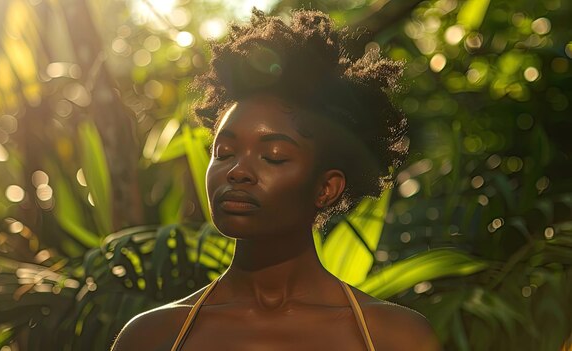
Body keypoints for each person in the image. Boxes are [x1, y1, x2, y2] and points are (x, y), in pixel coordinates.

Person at [112, 8, 441, 351]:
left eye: (274, 157)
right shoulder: (152, 337)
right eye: (224, 152)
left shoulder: (395, 337)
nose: (237, 171)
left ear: (326, 188)